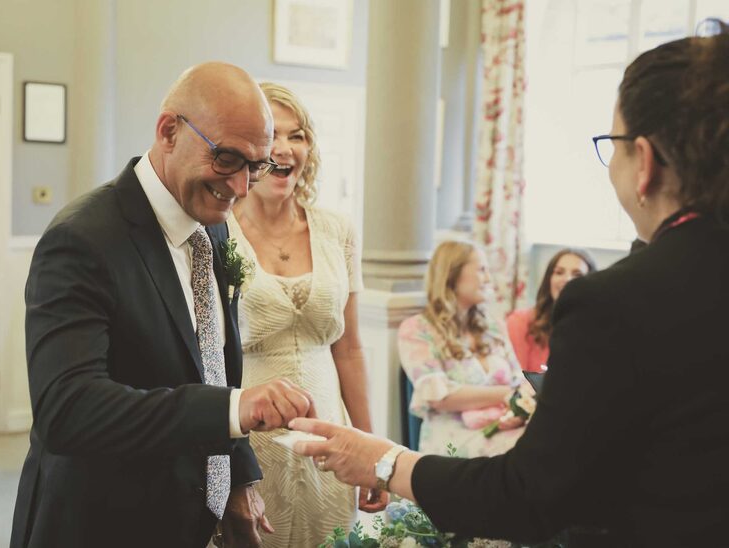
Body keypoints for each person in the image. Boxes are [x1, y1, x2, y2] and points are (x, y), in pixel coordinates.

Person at [290, 28, 729, 547]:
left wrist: (383, 461)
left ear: (644, 161)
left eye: (611, 146)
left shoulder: (614, 303)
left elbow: (528, 497)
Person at [10, 63, 318, 548]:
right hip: (102, 522)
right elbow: (67, 410)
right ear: (169, 130)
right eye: (226, 159)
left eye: (255, 167)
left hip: (191, 515)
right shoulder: (82, 238)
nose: (240, 188)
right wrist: (235, 409)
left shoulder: (211, 225)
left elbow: (214, 362)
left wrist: (235, 477)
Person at [226, 82, 386, 547]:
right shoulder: (216, 231)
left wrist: (370, 448)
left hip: (328, 434)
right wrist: (229, 462)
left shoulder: (337, 230)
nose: (285, 148)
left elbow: (351, 350)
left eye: (297, 135)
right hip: (250, 439)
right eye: (272, 134)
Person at [399, 240, 526, 459]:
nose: (488, 279)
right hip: (451, 443)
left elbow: (518, 381)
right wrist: (507, 395)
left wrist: (520, 408)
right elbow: (439, 397)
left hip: (504, 430)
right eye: (482, 270)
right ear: (452, 274)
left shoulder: (494, 326)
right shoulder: (417, 330)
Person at [506, 248, 596, 373]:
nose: (567, 279)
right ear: (549, 280)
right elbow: (517, 380)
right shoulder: (521, 321)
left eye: (577, 274)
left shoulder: (599, 329)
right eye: (559, 272)